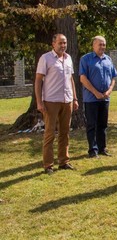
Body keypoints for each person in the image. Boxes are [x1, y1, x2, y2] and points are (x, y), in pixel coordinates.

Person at [35, 34, 78, 174]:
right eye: (60, 43)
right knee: (49, 133)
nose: (63, 45)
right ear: (53, 44)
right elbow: (38, 81)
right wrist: (39, 102)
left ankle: (64, 161)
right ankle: (48, 165)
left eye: (65, 43)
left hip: (67, 100)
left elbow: (71, 79)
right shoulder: (45, 58)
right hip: (51, 101)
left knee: (65, 133)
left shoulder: (68, 58)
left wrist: (75, 99)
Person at [79, 36, 117, 158]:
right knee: (92, 125)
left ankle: (102, 148)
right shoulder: (86, 59)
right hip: (91, 98)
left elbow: (113, 77)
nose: (102, 47)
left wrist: (109, 91)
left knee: (103, 124)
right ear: (93, 45)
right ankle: (93, 150)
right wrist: (95, 92)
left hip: (105, 98)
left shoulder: (108, 59)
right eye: (100, 44)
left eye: (104, 44)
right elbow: (83, 78)